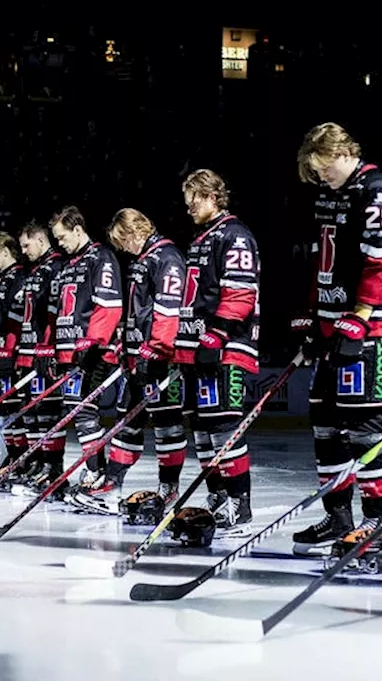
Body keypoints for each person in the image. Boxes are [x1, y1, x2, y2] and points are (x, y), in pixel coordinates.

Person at [292, 123, 382, 556]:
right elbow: (323, 263)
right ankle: (340, 518)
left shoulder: (375, 190)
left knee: (364, 428)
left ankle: (376, 528)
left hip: (371, 324)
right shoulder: (332, 193)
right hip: (334, 325)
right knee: (325, 424)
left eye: (323, 167)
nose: (320, 176)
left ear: (342, 152)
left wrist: (360, 314)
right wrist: (313, 318)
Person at [71, 207, 185, 514]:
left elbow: (168, 308)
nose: (123, 249)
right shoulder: (144, 259)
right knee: (128, 421)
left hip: (162, 360)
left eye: (123, 241)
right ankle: (113, 482)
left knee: (166, 424)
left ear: (135, 231)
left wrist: (159, 348)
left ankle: (169, 487)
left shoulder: (166, 257)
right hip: (138, 359)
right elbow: (137, 313)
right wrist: (126, 345)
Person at [171, 171, 261, 533]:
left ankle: (240, 504)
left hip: (223, 347)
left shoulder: (234, 235)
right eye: (186, 196)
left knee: (223, 427)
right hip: (197, 347)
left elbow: (240, 292)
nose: (188, 204)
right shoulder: (200, 238)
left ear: (213, 196)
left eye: (194, 196)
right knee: (203, 431)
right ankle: (220, 495)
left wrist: (217, 335)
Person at [39, 205, 123, 499]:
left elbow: (109, 306)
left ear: (78, 230)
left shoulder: (101, 257)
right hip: (67, 352)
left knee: (85, 412)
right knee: (76, 413)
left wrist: (92, 343)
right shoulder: (68, 265)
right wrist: (52, 349)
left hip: (92, 352)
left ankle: (97, 471)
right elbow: (59, 312)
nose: (59, 243)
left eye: (62, 237)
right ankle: (91, 470)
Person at [14, 221, 66, 478]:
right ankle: (38, 461)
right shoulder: (35, 270)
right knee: (31, 409)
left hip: (45, 350)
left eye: (26, 244)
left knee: (47, 410)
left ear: (40, 240)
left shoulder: (55, 266)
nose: (24, 251)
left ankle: (52, 465)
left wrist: (49, 347)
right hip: (30, 349)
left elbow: (55, 313)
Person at [0, 231, 28, 469]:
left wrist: (12, 351)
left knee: (14, 410)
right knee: (4, 409)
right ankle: (12, 457)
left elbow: (18, 320)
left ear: (4, 250)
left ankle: (22, 458)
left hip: (12, 355)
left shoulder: (18, 276)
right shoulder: (2, 280)